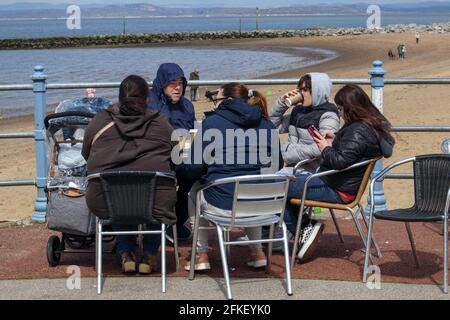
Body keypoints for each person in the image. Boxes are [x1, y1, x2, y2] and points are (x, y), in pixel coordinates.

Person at [281, 84, 395, 261]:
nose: (340, 113)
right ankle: (304, 227)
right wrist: (336, 140)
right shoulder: (368, 126)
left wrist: (325, 148)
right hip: (338, 183)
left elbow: (340, 161)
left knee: (279, 187)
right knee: (288, 182)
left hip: (337, 189)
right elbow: (351, 153)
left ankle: (303, 227)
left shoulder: (358, 130)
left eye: (341, 109)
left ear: (352, 108)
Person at [82, 75, 176, 274]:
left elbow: (85, 153)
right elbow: (177, 156)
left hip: (105, 200)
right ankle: (150, 253)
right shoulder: (160, 122)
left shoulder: (100, 120)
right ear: (147, 99)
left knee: (117, 188)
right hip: (155, 202)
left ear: (119, 97)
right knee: (156, 193)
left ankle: (126, 252)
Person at [184, 82, 283, 271]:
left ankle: (201, 254)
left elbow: (194, 168)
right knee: (252, 186)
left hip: (225, 207)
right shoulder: (267, 124)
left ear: (228, 100)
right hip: (262, 206)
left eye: (217, 99)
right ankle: (257, 251)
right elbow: (277, 165)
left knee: (195, 191)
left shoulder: (212, 123)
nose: (214, 104)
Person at [148, 63, 196, 241]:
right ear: (162, 84)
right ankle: (156, 223)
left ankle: (175, 221)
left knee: (196, 172)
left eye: (181, 83)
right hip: (154, 157)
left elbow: (190, 133)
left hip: (180, 155)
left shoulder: (187, 106)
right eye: (172, 83)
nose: (177, 88)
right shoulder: (150, 104)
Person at [270, 72, 340, 173]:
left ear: (317, 92)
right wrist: (281, 103)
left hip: (308, 170)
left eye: (305, 90)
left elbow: (321, 147)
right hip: (287, 165)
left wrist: (287, 157)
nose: (301, 94)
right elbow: (273, 127)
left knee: (269, 181)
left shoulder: (328, 115)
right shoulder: (299, 111)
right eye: (300, 90)